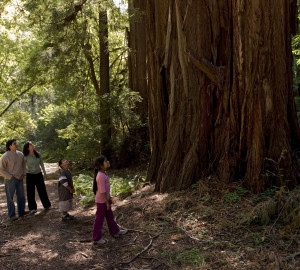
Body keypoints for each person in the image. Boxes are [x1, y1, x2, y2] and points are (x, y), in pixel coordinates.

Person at [92, 156, 127, 245]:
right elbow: (102, 190)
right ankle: (96, 238)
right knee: (99, 219)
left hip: (105, 199)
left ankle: (115, 231)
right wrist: (107, 202)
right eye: (105, 161)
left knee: (110, 216)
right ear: (101, 165)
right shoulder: (100, 176)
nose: (108, 161)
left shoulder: (103, 174)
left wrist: (109, 198)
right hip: (102, 201)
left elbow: (106, 189)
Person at [23, 141, 53, 214]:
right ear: (27, 147)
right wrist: (26, 171)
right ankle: (32, 208)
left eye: (32, 144)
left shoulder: (38, 154)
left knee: (42, 190)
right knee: (30, 192)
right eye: (30, 145)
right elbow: (23, 166)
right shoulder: (25, 156)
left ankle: (47, 205)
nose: (32, 145)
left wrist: (44, 173)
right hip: (30, 175)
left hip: (38, 174)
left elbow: (42, 164)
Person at [0, 139, 26, 220]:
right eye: (14, 143)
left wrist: (23, 174)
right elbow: (1, 169)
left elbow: (24, 165)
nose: (16, 144)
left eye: (16, 143)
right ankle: (12, 215)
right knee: (10, 197)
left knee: (21, 196)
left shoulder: (20, 154)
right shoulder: (5, 156)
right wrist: (9, 176)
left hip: (20, 178)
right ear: (9, 146)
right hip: (10, 179)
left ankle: (21, 212)